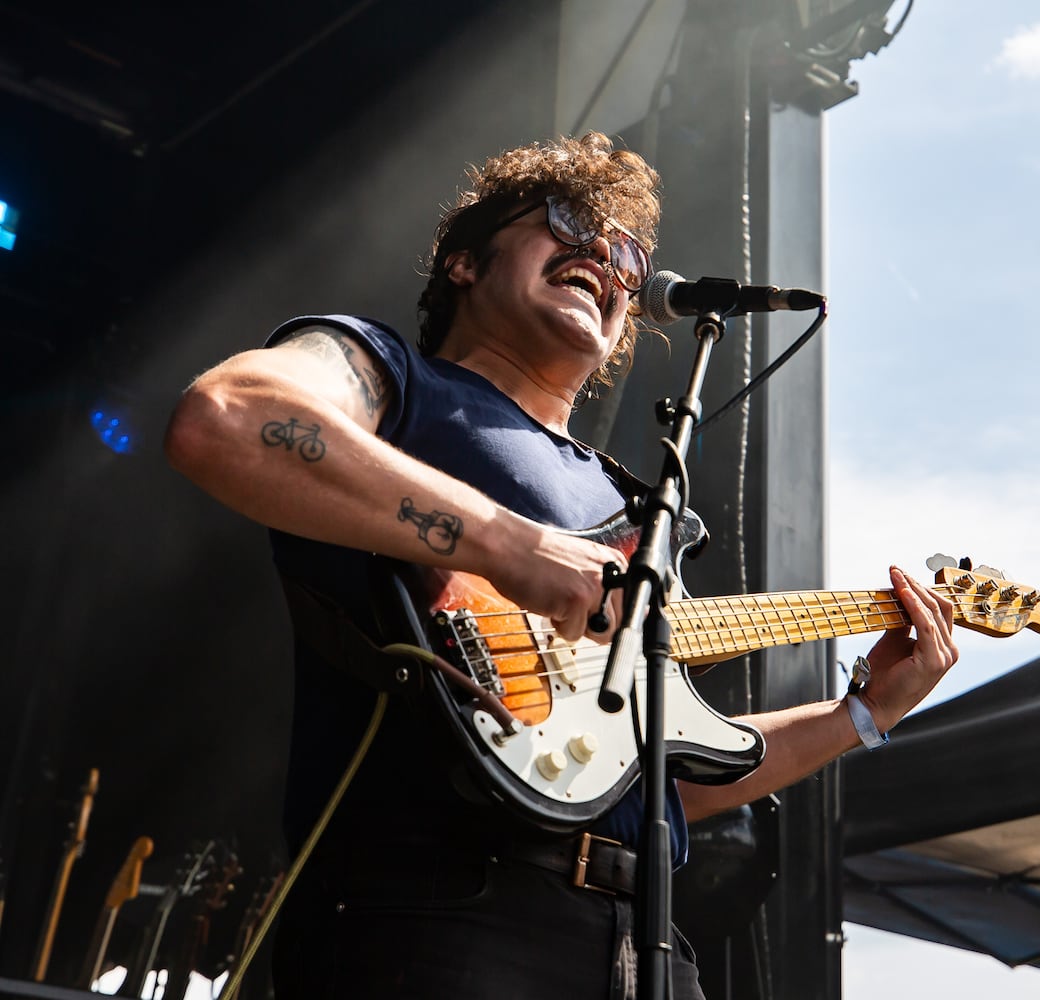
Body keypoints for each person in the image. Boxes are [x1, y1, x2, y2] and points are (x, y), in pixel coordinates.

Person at [164, 131, 957, 999]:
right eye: (568, 222)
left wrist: (866, 713)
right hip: (438, 918)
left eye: (625, 251)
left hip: (647, 943)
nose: (604, 256)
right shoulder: (391, 374)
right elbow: (230, 419)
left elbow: (649, 781)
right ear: (464, 263)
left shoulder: (640, 514)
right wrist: (513, 546)